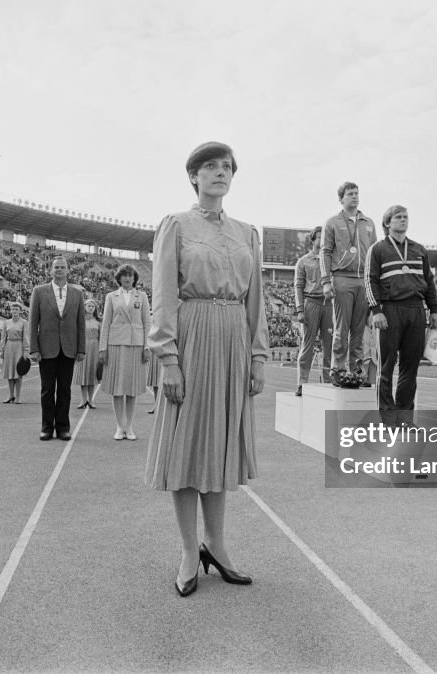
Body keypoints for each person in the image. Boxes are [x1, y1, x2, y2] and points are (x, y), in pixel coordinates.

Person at [145, 141, 268, 597]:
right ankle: (187, 550)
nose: (220, 172)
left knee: (219, 445)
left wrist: (257, 355)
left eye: (227, 167)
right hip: (192, 335)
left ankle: (215, 545)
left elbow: (256, 300)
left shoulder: (247, 233)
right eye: (210, 166)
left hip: (234, 337)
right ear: (193, 176)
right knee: (186, 446)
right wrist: (168, 359)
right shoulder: (176, 225)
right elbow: (164, 295)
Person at [366, 205, 437, 426]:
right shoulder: (378, 249)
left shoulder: (419, 249)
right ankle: (388, 419)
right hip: (389, 310)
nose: (403, 220)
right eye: (398, 217)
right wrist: (376, 310)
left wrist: (434, 310)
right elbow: (370, 281)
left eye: (405, 217)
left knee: (410, 368)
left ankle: (405, 418)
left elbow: (429, 282)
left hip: (416, 310)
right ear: (387, 222)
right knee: (386, 367)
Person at [320, 181, 377, 377]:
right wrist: (326, 281)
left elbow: (374, 253)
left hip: (363, 280)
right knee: (341, 329)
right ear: (341, 199)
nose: (354, 196)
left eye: (356, 193)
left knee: (359, 330)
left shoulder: (368, 223)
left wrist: (374, 283)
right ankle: (338, 369)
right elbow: (325, 252)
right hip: (342, 278)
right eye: (350, 193)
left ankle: (356, 370)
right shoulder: (332, 223)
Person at [29, 256, 87, 441]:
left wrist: (81, 349)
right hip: (47, 348)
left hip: (68, 348)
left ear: (68, 270)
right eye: (56, 267)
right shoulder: (39, 291)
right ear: (51, 270)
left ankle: (63, 428)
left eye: (62, 267)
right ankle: (47, 427)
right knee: (47, 390)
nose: (59, 270)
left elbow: (81, 323)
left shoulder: (77, 294)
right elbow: (33, 322)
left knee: (65, 390)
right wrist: (34, 348)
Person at [99, 265, 151, 440]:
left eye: (130, 275)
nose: (127, 278)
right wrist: (103, 348)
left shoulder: (142, 296)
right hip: (116, 344)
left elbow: (147, 323)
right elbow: (106, 323)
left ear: (134, 278)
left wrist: (146, 346)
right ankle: (119, 426)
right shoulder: (111, 297)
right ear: (119, 278)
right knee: (117, 388)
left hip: (136, 344)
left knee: (132, 387)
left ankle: (129, 426)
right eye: (124, 275)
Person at [293, 225, 332, 396]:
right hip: (311, 302)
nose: (323, 241)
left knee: (329, 346)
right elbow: (298, 286)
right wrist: (300, 309)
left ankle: (328, 382)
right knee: (307, 346)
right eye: (320, 237)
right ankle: (302, 383)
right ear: (313, 240)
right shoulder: (303, 261)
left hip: (329, 303)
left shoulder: (332, 260)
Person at [73, 298, 101, 409]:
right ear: (84, 307)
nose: (91, 308)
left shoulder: (98, 321)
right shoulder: (80, 320)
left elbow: (101, 337)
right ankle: (83, 400)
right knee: (83, 374)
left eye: (92, 306)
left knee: (92, 375)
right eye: (89, 306)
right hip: (83, 347)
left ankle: (91, 400)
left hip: (95, 348)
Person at [0, 304, 29, 403]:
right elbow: (3, 337)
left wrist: (26, 351)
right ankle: (11, 395)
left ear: (20, 311)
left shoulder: (24, 322)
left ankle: (18, 397)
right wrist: (2, 350)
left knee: (19, 372)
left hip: (19, 346)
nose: (15, 310)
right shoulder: (6, 322)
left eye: (16, 309)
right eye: (13, 309)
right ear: (11, 311)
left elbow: (26, 337)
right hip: (9, 347)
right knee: (10, 372)